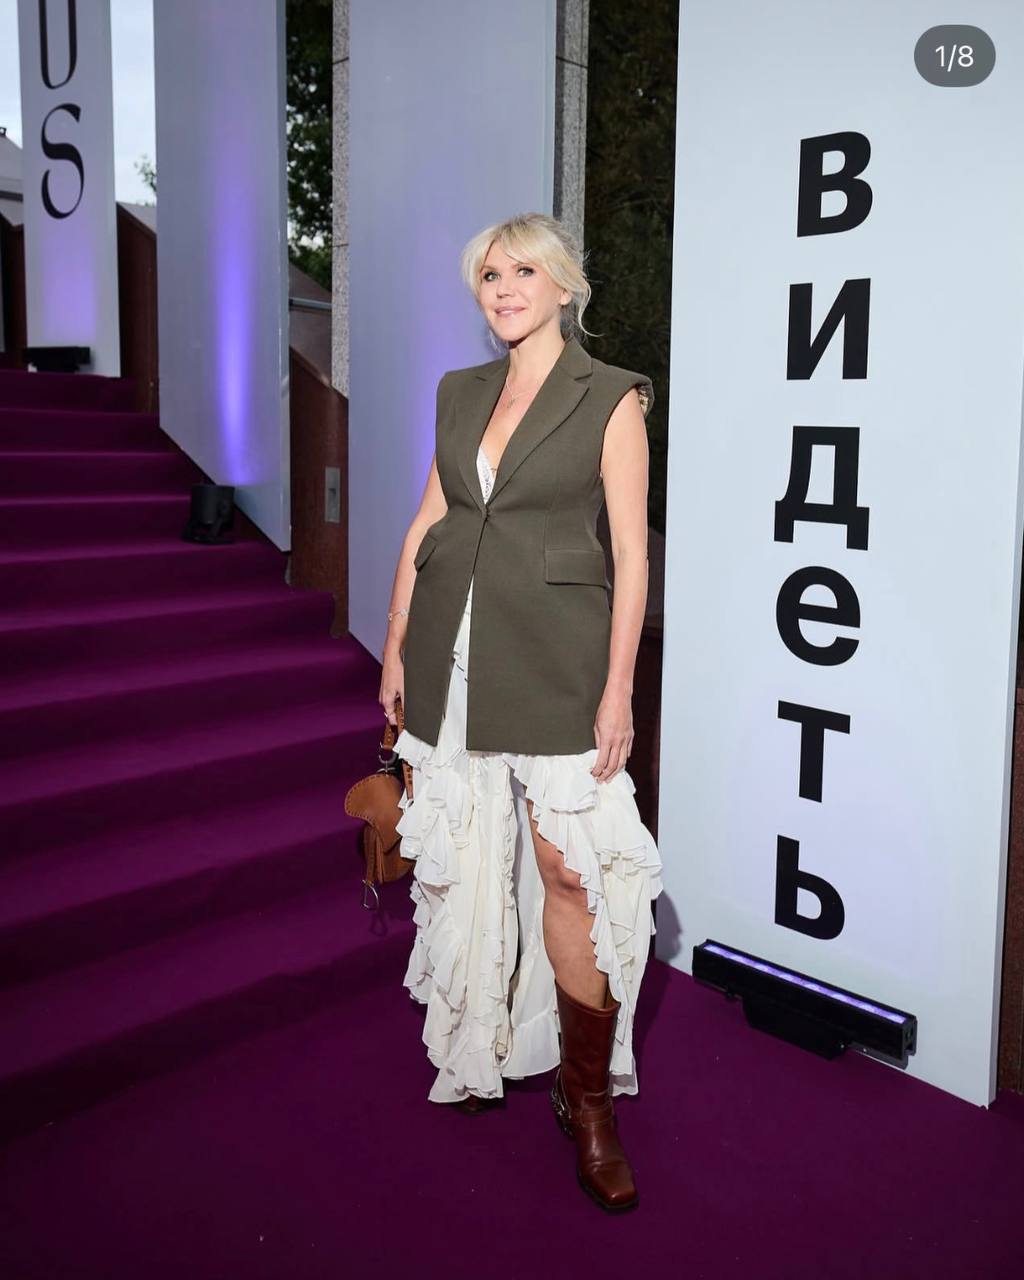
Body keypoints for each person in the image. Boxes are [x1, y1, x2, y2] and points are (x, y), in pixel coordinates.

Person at [378, 212, 663, 1214]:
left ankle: (587, 1101)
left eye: (523, 272)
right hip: (450, 648)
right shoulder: (460, 391)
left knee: (571, 869)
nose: (502, 289)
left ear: (564, 287)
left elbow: (632, 553)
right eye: (489, 275)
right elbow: (430, 517)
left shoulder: (610, 393)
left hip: (556, 660)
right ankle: (477, 1043)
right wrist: (394, 642)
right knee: (469, 850)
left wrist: (619, 687)